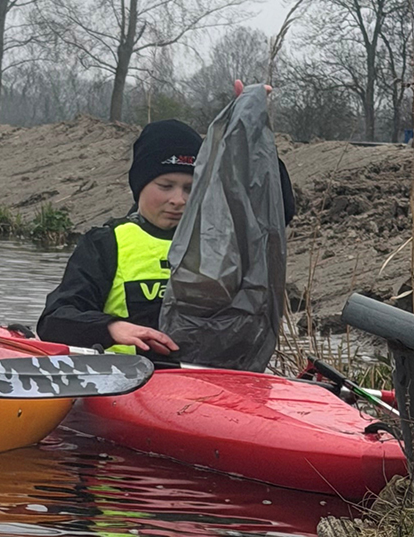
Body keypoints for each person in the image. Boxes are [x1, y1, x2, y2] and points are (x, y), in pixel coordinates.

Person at [37, 88, 295, 357]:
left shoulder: (221, 238)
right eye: (165, 186)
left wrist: (249, 129)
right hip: (132, 376)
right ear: (140, 186)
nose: (178, 200)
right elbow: (55, 321)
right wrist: (111, 328)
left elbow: (274, 210)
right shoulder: (105, 243)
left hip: (208, 375)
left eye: (190, 188)